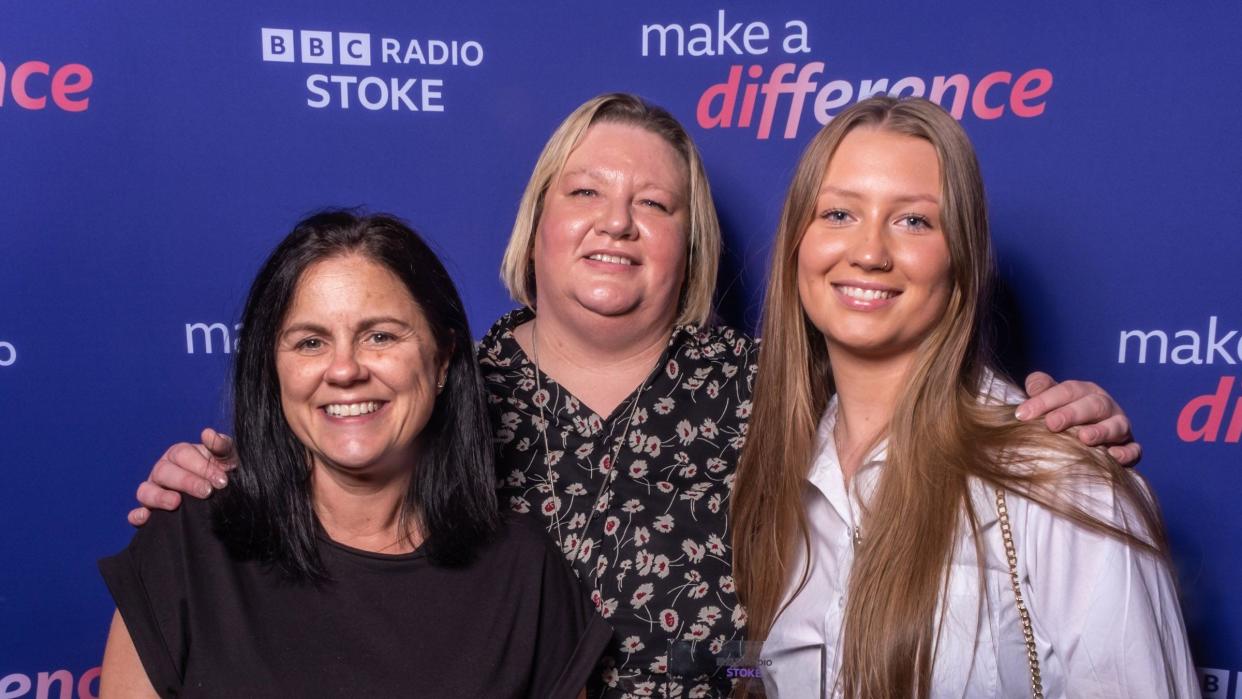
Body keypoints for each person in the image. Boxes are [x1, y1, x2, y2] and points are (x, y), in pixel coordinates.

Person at [123, 95, 1144, 697]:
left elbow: (914, 385)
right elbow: (332, 471)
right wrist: (223, 476)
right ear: (539, 222)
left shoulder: (770, 391)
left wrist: (1039, 417)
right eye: (587, 194)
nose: (617, 223)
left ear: (690, 241)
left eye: (653, 203)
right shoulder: (440, 394)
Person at [732, 96, 1196, 697]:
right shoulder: (762, 473)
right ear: (798, 241)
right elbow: (745, 669)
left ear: (962, 259)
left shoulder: (1059, 480)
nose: (869, 253)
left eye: (914, 221)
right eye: (839, 214)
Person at [99, 212, 609, 698]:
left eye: (380, 336)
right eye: (310, 342)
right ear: (273, 369)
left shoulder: (526, 572)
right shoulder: (187, 548)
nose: (344, 370)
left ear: (442, 359)